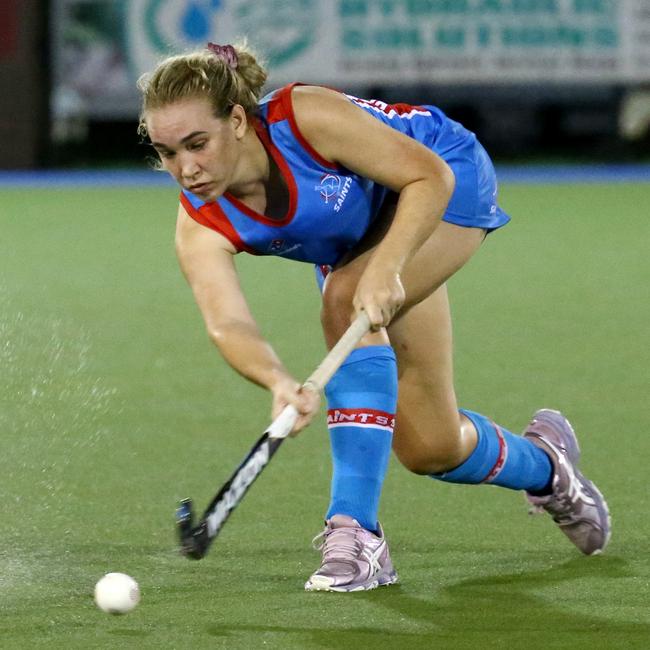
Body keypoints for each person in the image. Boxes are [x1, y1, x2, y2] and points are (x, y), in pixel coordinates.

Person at [137, 42, 611, 592]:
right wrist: (276, 379)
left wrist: (387, 266)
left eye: (198, 144)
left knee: (343, 299)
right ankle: (551, 470)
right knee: (431, 446)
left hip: (442, 175)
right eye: (169, 153)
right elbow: (228, 323)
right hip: (367, 241)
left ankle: (355, 534)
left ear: (238, 120)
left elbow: (427, 177)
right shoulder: (199, 222)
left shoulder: (303, 118)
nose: (186, 169)